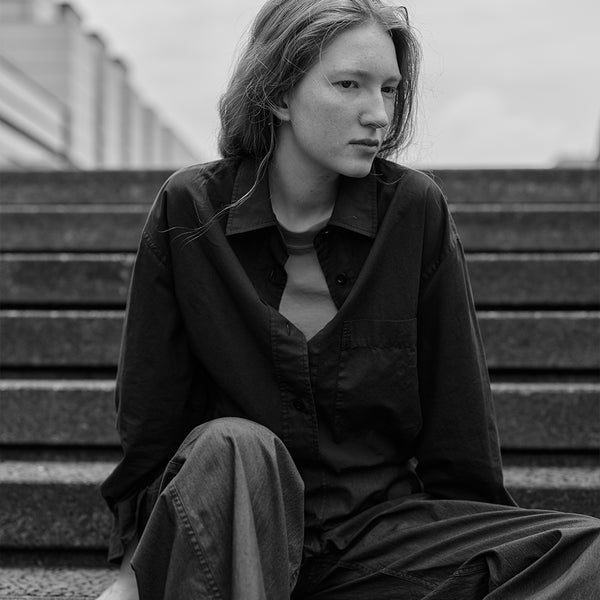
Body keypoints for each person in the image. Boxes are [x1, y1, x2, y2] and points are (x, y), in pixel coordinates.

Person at [97, 1, 600, 598]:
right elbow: (151, 417)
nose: (378, 114)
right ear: (278, 94)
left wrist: (482, 555)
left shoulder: (414, 210)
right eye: (348, 85)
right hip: (232, 530)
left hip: (371, 537)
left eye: (389, 89)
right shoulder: (190, 209)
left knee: (590, 551)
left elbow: (456, 418)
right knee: (233, 443)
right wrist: (130, 574)